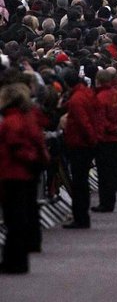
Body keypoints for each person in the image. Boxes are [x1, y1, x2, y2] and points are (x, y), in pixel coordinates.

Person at [0, 82, 48, 273]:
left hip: (13, 173)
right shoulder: (25, 117)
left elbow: (17, 146)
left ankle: (15, 260)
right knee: (21, 215)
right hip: (22, 172)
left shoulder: (12, 122)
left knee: (14, 219)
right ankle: (17, 258)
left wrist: (28, 159)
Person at [61, 70, 99, 229]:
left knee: (79, 183)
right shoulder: (85, 93)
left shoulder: (76, 99)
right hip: (84, 144)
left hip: (79, 145)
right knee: (80, 182)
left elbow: (84, 123)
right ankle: (81, 215)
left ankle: (81, 217)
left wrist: (91, 141)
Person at [93, 68, 117, 214]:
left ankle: (105, 202)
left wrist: (112, 129)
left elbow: (101, 121)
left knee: (104, 173)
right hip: (115, 137)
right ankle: (110, 201)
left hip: (105, 139)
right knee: (110, 172)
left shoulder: (100, 98)